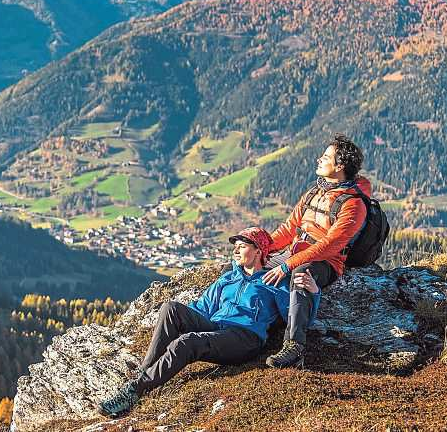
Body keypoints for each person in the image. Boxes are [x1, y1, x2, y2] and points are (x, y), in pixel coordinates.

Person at [98, 227, 320, 418]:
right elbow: (201, 308)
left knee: (187, 343)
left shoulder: (274, 281)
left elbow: (297, 319)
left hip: (244, 338)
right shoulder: (228, 278)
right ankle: (144, 376)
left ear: (259, 251)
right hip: (216, 328)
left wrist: (314, 292)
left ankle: (136, 391)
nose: (235, 250)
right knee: (171, 308)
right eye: (235, 246)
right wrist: (182, 318)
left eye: (242, 246)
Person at [263, 134, 369, 368]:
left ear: (340, 166)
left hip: (326, 262)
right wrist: (260, 247)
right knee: (252, 263)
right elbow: (289, 229)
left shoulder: (353, 204)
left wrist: (287, 265)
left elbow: (329, 245)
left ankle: (294, 345)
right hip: (297, 252)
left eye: (325, 157)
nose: (318, 160)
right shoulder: (315, 192)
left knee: (301, 276)